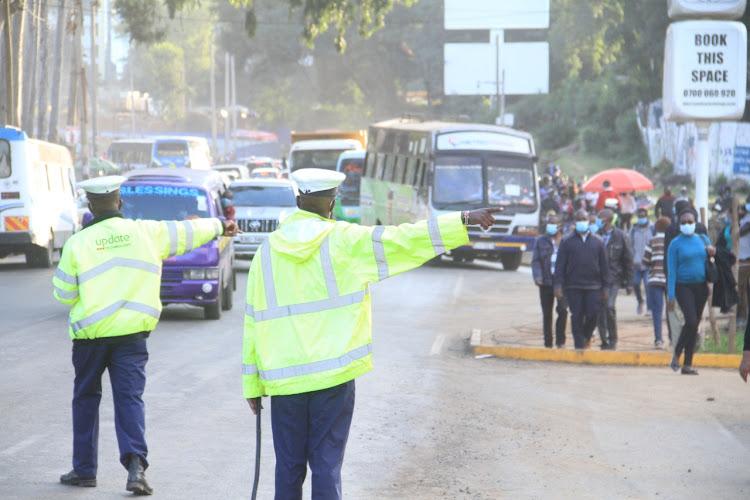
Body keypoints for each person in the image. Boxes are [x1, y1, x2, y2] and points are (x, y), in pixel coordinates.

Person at [241, 168, 500, 499]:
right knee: (326, 467)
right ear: (331, 204)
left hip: (285, 383)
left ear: (297, 201)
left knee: (288, 469)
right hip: (332, 381)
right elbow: (403, 239)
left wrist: (251, 384)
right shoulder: (346, 241)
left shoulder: (266, 252)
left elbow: (252, 322)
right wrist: (462, 220)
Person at [52, 176, 240, 494]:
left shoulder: (78, 243)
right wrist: (223, 225)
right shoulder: (147, 233)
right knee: (130, 400)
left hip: (90, 339)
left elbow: (63, 295)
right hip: (132, 336)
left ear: (90, 207)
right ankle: (136, 469)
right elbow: (189, 232)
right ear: (120, 202)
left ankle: (84, 470)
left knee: (85, 400)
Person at [667, 208, 716, 375]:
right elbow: (672, 271)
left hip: (701, 287)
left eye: (690, 222)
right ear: (679, 224)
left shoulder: (702, 239)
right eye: (683, 222)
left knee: (693, 326)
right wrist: (671, 295)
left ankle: (687, 365)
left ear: (695, 222)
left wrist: (712, 253)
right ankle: (677, 353)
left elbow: (710, 260)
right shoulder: (675, 244)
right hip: (683, 286)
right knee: (691, 320)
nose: (687, 225)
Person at [554, 209, 610, 350]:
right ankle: (579, 346)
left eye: (584, 219)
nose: (582, 222)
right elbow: (560, 265)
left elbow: (604, 266)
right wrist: (558, 285)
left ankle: (587, 336)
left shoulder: (598, 241)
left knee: (593, 314)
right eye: (579, 220)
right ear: (575, 222)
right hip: (573, 286)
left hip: (594, 286)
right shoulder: (567, 241)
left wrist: (605, 287)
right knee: (576, 316)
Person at [596, 209, 634, 350]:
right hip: (597, 279)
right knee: (599, 309)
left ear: (608, 220)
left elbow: (628, 260)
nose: (598, 221)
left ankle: (613, 339)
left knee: (609, 306)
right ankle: (603, 339)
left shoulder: (620, 236)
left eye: (601, 218)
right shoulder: (595, 235)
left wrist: (629, 283)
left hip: (614, 278)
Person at [531, 214, 568, 348]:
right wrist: (538, 277)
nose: (550, 226)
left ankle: (560, 341)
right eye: (548, 223)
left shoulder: (566, 241)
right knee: (547, 313)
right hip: (545, 281)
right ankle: (548, 343)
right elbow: (536, 261)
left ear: (560, 225)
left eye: (553, 223)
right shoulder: (541, 241)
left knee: (562, 310)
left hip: (562, 283)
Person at [642, 217, 671, 349]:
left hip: (654, 280)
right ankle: (672, 337)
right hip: (669, 280)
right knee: (671, 311)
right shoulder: (672, 241)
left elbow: (645, 261)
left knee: (657, 311)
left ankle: (658, 339)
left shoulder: (652, 241)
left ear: (656, 227)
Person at [630, 207, 654, 315]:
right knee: (635, 284)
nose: (641, 218)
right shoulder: (633, 230)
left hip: (649, 263)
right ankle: (640, 301)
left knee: (648, 285)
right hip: (637, 263)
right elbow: (630, 245)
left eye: (643, 216)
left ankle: (649, 307)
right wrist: (632, 257)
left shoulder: (652, 229)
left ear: (647, 217)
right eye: (639, 217)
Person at [736, 195, 750, 327]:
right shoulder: (745, 218)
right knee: (742, 289)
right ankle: (742, 317)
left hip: (746, 260)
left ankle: (743, 318)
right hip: (742, 259)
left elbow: (738, 232)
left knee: (741, 289)